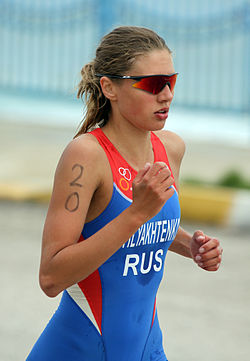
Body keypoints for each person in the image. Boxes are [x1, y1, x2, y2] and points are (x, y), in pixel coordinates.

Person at [26, 26, 223, 361]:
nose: (166, 95)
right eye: (150, 84)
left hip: (146, 348)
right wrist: (136, 214)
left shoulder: (170, 148)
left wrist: (190, 245)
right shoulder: (86, 156)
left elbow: (145, 226)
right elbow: (51, 276)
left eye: (170, 81)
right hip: (80, 349)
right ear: (109, 88)